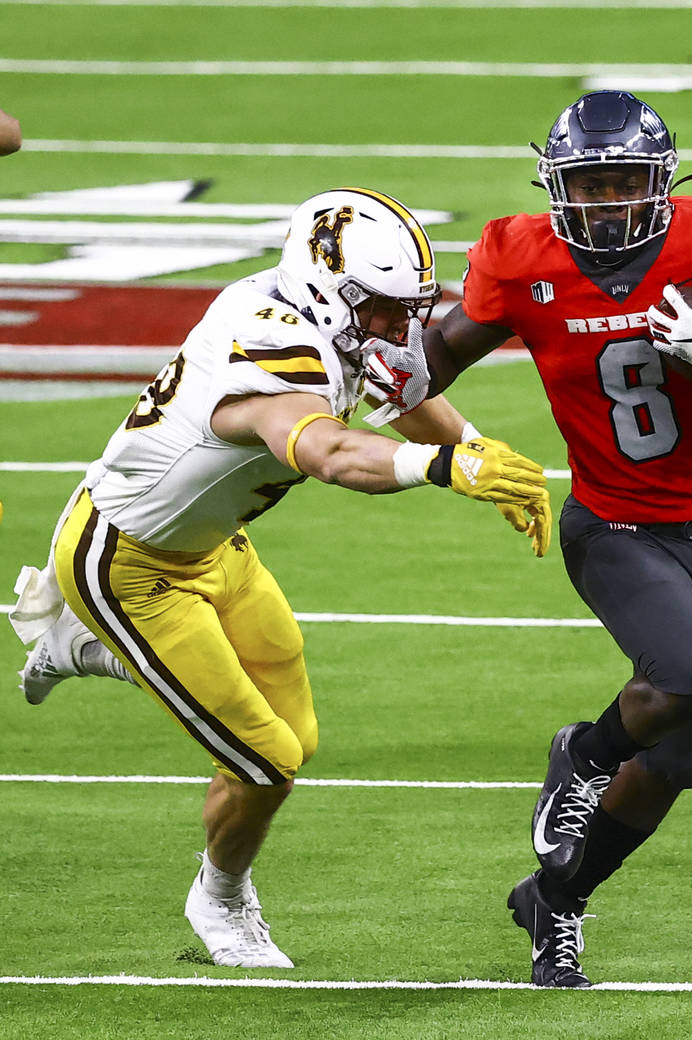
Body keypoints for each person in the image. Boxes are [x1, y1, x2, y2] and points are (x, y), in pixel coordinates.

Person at [11, 186, 551, 969]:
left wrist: (479, 447)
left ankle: (84, 649)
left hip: (213, 547)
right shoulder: (268, 347)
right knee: (264, 759)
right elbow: (329, 452)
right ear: (328, 288)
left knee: (297, 735)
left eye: (407, 308)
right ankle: (219, 901)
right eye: (381, 310)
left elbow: (401, 394)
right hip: (128, 565)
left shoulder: (329, 318)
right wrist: (444, 466)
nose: (398, 327)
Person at [421, 90, 692, 987]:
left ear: (660, 181)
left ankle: (555, 899)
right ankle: (586, 755)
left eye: (622, 182)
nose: (606, 202)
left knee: (684, 758)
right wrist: (357, 358)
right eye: (589, 185)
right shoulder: (520, 256)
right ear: (560, 189)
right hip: (612, 525)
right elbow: (431, 359)